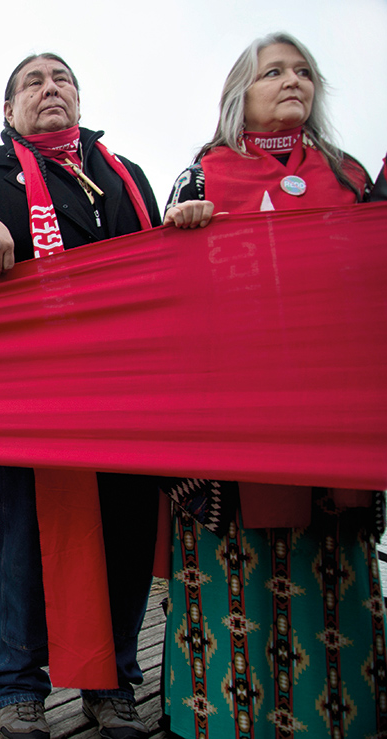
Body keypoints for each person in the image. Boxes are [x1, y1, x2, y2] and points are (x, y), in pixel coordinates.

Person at [0, 54, 168, 739]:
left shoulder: (127, 177)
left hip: (123, 391)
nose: (50, 88)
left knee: (124, 536)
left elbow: (158, 267)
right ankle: (19, 685)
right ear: (8, 112)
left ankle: (113, 680)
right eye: (33, 82)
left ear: (80, 102)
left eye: (62, 79)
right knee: (29, 541)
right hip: (31, 390)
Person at [161, 33, 384, 739]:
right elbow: (168, 289)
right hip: (235, 415)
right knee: (234, 563)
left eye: (304, 72)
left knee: (333, 551)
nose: (293, 81)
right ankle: (224, 720)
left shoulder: (348, 177)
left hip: (331, 409)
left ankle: (342, 720)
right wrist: (181, 233)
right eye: (274, 72)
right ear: (240, 94)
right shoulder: (200, 174)